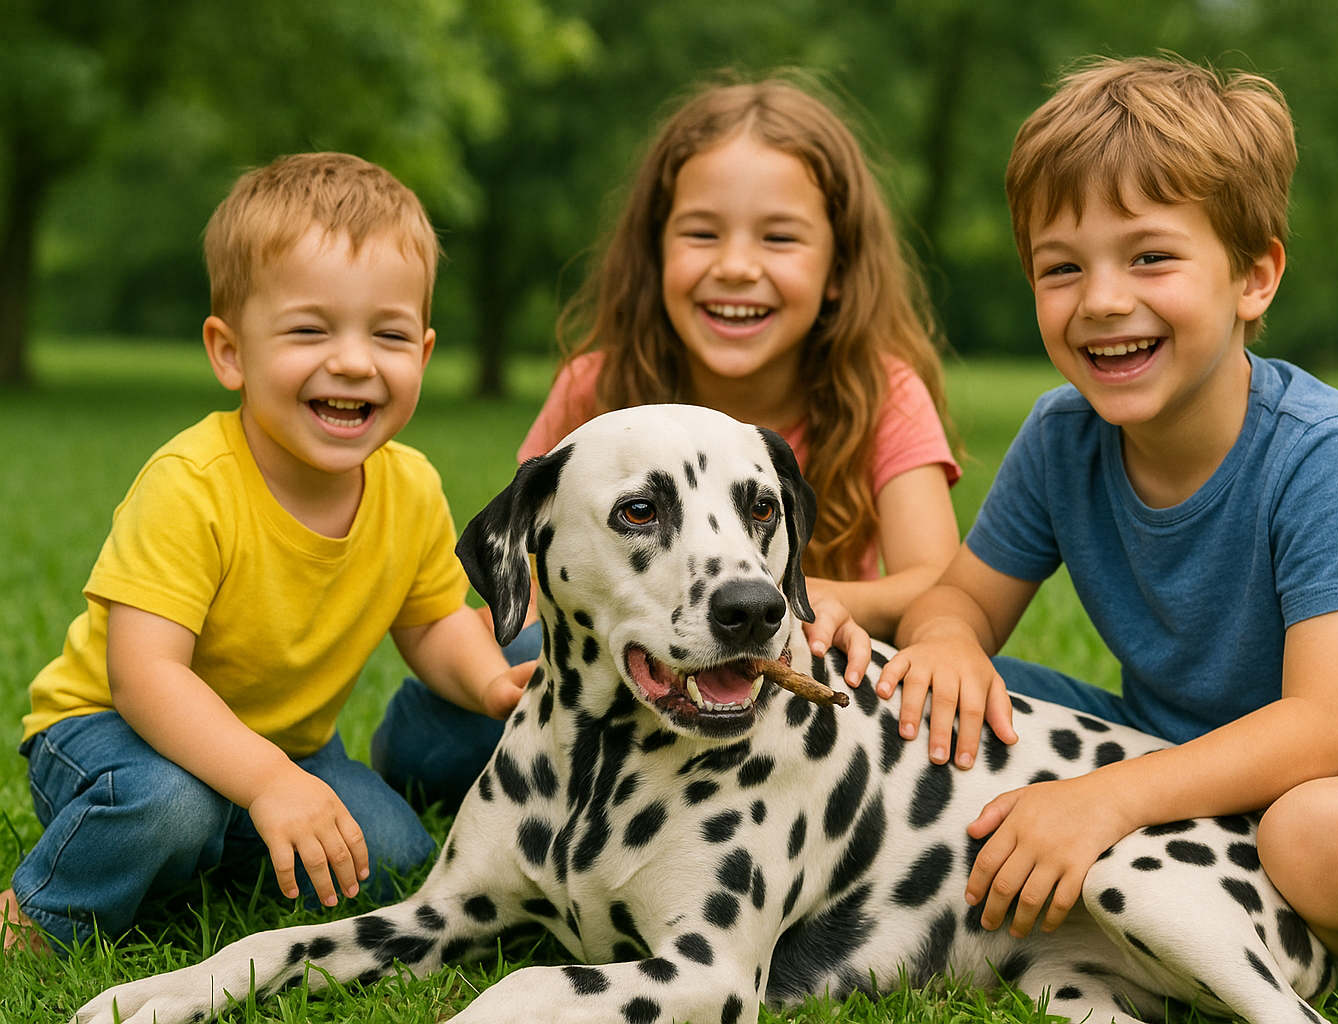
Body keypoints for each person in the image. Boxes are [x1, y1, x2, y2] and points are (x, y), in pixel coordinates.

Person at [879, 56, 1338, 961]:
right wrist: (947, 646)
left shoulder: (1323, 450)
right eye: (1061, 268)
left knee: (1321, 847)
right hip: (1160, 740)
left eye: (1151, 256)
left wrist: (1110, 799)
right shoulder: (1061, 437)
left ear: (1254, 278)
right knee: (906, 698)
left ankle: (1327, 919)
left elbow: (1322, 725)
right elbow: (959, 600)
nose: (1104, 301)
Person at [371, 78, 963, 809]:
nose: (737, 265)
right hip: (636, 662)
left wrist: (816, 601)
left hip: (813, 693)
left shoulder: (881, 392)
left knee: (957, 688)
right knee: (426, 734)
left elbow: (935, 578)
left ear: (839, 269)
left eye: (778, 237)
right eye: (703, 233)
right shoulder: (600, 385)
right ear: (655, 255)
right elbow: (536, 565)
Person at [0, 153, 524, 954]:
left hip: (289, 746)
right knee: (169, 803)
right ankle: (44, 912)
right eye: (310, 329)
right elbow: (145, 678)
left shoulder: (410, 486)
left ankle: (208, 853)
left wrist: (489, 681)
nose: (352, 360)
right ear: (230, 351)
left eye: (386, 334)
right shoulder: (193, 485)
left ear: (420, 355)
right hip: (113, 736)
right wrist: (272, 783)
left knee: (393, 860)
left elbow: (433, 621)